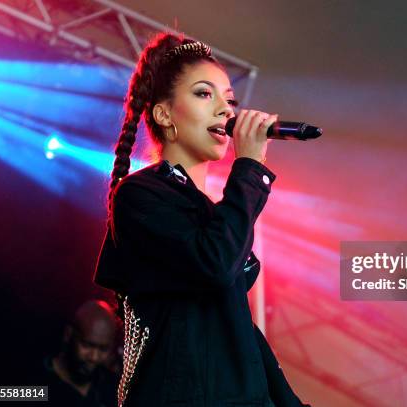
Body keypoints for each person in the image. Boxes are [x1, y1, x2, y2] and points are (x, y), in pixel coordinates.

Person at [93, 33, 309, 407]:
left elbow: (238, 329)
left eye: (230, 100)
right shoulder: (139, 196)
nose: (226, 111)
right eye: (204, 94)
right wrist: (249, 168)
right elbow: (214, 263)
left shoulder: (217, 213)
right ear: (164, 115)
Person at [34, 300, 119, 406]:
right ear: (68, 334)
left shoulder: (112, 390)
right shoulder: (35, 380)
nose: (94, 357)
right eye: (87, 345)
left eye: (103, 349)